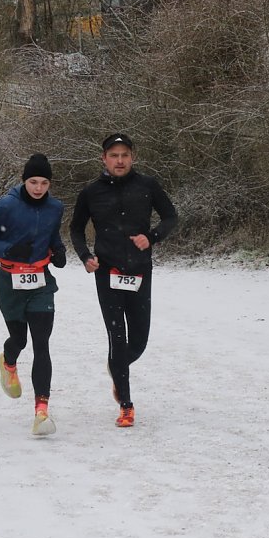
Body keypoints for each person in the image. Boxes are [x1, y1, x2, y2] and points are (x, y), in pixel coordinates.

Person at [69, 133, 178, 428]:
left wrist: (151, 237)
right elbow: (76, 229)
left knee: (138, 342)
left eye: (125, 155)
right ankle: (126, 405)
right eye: (114, 155)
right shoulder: (91, 192)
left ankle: (116, 368)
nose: (120, 160)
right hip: (108, 273)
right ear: (103, 158)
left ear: (133, 157)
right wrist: (84, 255)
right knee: (117, 338)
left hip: (140, 271)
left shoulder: (147, 186)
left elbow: (170, 216)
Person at [0, 153, 66, 435]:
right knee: (19, 339)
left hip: (40, 283)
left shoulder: (55, 208)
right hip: (9, 282)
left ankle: (41, 412)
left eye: (44, 183)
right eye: (33, 182)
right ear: (24, 181)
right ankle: (8, 360)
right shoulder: (7, 206)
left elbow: (52, 236)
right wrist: (7, 250)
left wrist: (59, 251)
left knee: (42, 343)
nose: (38, 188)